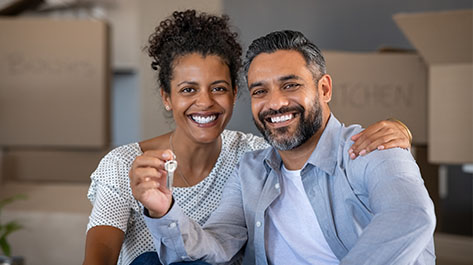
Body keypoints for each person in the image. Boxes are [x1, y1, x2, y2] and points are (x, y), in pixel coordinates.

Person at [83, 10, 413, 265]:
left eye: (219, 88)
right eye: (187, 90)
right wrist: (163, 210)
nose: (204, 102)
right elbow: (214, 245)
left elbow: (407, 216)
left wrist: (400, 131)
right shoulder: (127, 163)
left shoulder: (253, 155)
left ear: (234, 94)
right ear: (167, 97)